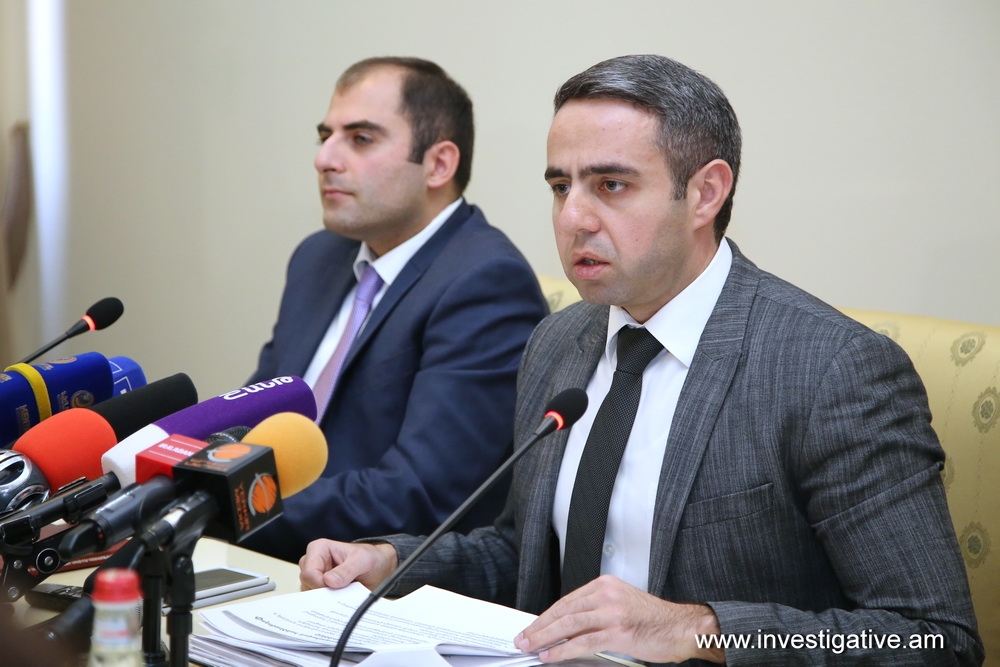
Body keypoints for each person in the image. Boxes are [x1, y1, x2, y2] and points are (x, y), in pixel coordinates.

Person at [299, 55, 983, 665]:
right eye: (560, 186)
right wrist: (393, 560)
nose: (573, 217)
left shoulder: (832, 370)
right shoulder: (558, 342)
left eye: (611, 185)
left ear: (706, 193)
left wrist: (701, 630)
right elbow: (522, 557)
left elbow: (932, 638)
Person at [242, 57, 548, 562]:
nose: (325, 159)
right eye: (325, 136)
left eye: (360, 139)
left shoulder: (486, 282)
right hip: (269, 552)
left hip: (378, 578)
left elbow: (416, 495)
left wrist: (232, 504)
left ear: (439, 164)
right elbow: (253, 418)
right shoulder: (317, 257)